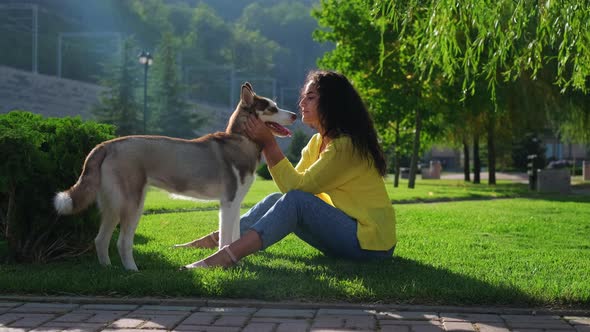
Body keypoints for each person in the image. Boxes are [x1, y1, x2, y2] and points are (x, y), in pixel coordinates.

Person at [184, 70, 396, 269]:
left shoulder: (344, 146)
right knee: (277, 198)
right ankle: (213, 240)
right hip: (350, 236)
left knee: (296, 201)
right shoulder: (317, 143)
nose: (302, 103)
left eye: (310, 97)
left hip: (371, 244)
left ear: (332, 102)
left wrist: (269, 143)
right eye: (303, 97)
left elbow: (297, 189)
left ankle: (225, 256)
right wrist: (266, 142)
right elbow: (291, 186)